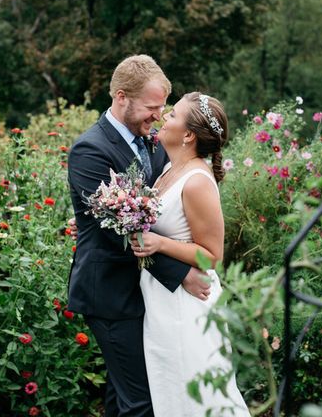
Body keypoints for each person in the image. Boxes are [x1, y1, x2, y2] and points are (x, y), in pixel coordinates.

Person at [66, 55, 212, 417]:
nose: (159, 116)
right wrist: (180, 272)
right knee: (143, 401)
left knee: (124, 396)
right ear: (121, 97)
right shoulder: (91, 151)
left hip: (145, 292)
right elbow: (117, 232)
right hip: (111, 294)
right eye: (151, 107)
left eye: (163, 108)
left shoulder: (153, 141)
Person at [130, 92, 250, 416]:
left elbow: (212, 256)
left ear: (187, 135)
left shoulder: (197, 181)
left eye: (172, 115)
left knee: (197, 399)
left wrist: (160, 244)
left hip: (188, 308)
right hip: (164, 301)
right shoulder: (169, 169)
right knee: (173, 394)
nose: (162, 118)